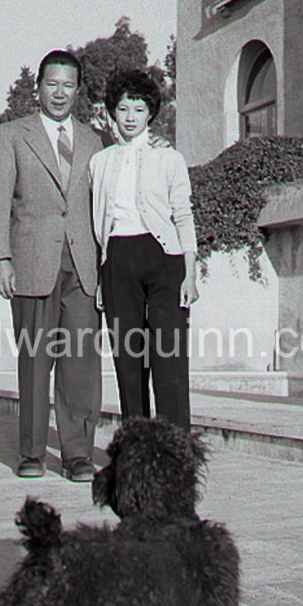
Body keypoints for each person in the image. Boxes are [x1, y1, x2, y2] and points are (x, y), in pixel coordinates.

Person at [0, 50, 102, 481]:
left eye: (68, 85)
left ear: (77, 90)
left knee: (80, 363)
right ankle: (32, 452)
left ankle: (77, 456)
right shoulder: (13, 135)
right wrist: (0, 258)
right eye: (51, 84)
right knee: (36, 359)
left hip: (83, 265)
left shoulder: (93, 141)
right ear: (38, 88)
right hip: (32, 262)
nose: (59, 93)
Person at [89, 70, 199, 430]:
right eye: (123, 108)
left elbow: (183, 217)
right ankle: (136, 449)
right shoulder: (99, 163)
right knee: (128, 360)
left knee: (168, 360)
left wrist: (190, 272)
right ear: (112, 113)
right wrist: (102, 275)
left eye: (138, 108)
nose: (131, 117)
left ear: (151, 112)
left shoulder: (170, 159)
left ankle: (176, 452)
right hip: (118, 261)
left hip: (165, 261)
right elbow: (98, 224)